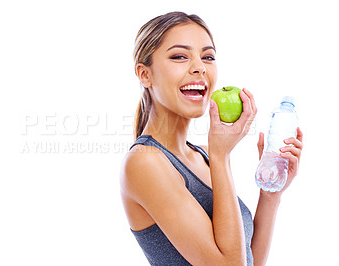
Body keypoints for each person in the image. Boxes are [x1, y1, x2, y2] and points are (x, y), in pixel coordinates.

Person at [120, 11, 303, 266]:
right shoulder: (144, 163)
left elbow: (248, 260)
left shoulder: (205, 154)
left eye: (207, 57)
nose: (199, 67)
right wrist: (221, 156)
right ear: (144, 74)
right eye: (180, 56)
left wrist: (270, 195)